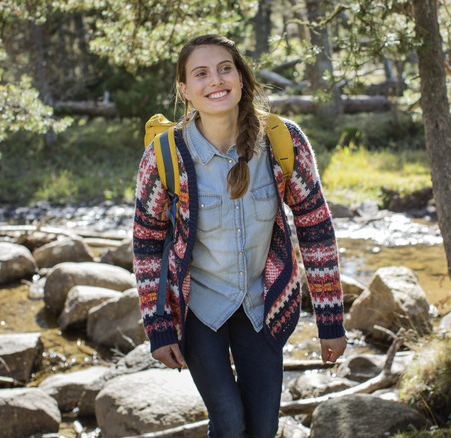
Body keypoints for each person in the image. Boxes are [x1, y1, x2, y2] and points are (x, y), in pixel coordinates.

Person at [133, 34, 346, 438]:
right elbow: (146, 242)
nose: (215, 80)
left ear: (242, 77)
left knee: (263, 427)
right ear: (184, 89)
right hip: (198, 310)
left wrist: (330, 319)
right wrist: (157, 325)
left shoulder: (284, 142)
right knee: (229, 421)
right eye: (201, 73)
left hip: (262, 306)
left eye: (225, 68)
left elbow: (316, 229)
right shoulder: (165, 155)